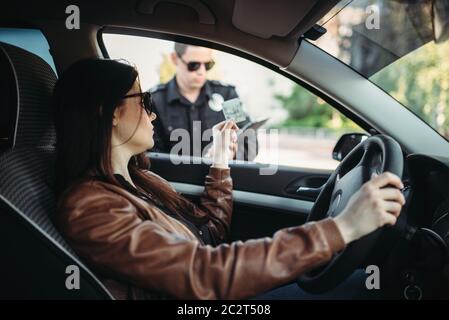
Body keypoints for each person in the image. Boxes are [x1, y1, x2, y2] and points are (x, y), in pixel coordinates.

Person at [53, 58, 405, 300]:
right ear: (108, 112)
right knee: (366, 287)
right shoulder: (89, 207)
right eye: (142, 99)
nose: (152, 111)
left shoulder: (138, 180)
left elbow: (208, 237)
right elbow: (204, 273)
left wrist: (221, 162)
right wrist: (342, 228)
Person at [150, 43, 258, 161]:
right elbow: (151, 154)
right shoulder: (155, 100)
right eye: (194, 65)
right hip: (174, 178)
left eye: (208, 65)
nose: (201, 71)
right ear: (175, 58)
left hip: (219, 175)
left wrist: (231, 152)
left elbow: (250, 143)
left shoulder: (227, 95)